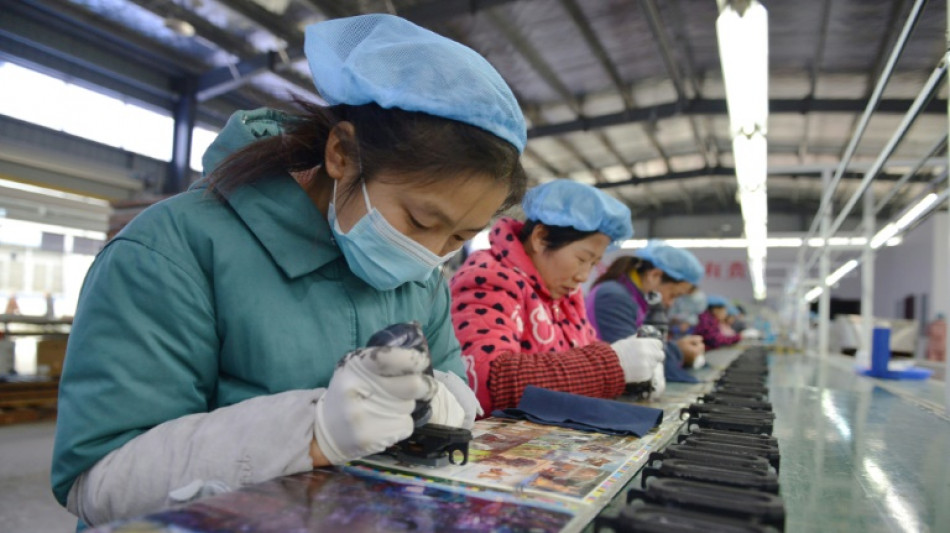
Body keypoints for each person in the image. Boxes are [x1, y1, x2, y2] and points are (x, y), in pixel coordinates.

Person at [52, 14, 527, 526]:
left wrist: (438, 403)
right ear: (341, 154)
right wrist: (310, 431)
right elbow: (96, 482)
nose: (430, 255)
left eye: (458, 237)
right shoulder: (172, 249)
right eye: (419, 220)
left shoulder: (426, 279)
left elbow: (453, 386)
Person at [450, 179, 665, 414]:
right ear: (540, 238)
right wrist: (611, 365)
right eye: (582, 259)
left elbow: (584, 353)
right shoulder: (489, 278)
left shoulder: (566, 296)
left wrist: (632, 376)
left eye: (594, 263)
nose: (584, 276)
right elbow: (488, 380)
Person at [586, 241, 707, 378]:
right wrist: (679, 351)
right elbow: (634, 359)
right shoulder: (613, 296)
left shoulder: (636, 298)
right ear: (655, 275)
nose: (670, 303)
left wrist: (675, 348)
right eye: (673, 295)